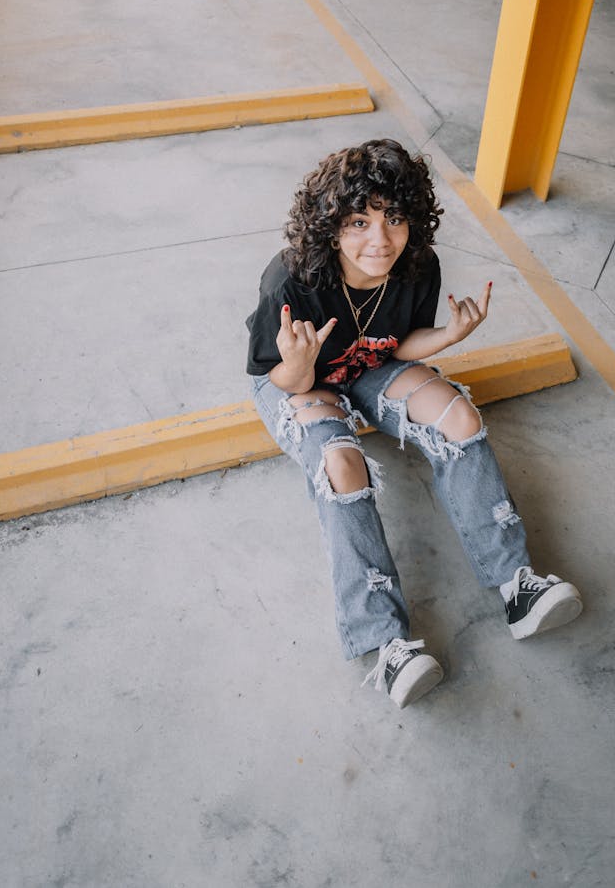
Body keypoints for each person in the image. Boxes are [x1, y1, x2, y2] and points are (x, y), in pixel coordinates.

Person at [246, 138, 582, 709]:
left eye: (394, 218)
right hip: (298, 378)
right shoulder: (291, 281)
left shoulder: (416, 266)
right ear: (330, 225)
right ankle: (387, 642)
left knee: (457, 417)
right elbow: (284, 381)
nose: (380, 240)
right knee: (341, 465)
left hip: (372, 365)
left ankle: (516, 584)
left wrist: (447, 338)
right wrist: (302, 362)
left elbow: (399, 344)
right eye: (358, 221)